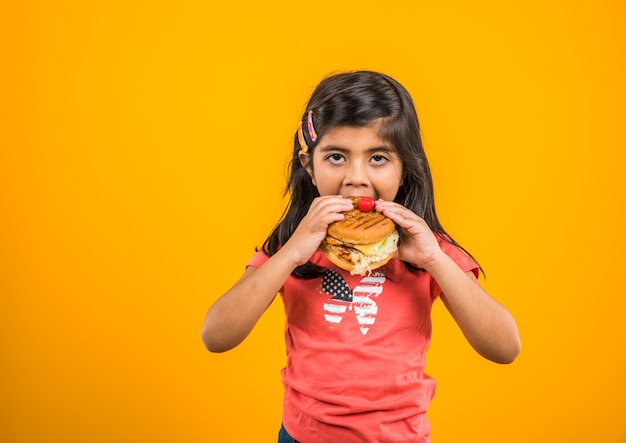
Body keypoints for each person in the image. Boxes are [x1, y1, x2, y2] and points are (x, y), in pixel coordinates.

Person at [201, 70, 521, 443]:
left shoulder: (427, 249)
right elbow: (216, 335)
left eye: (379, 158)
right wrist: (290, 254)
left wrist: (435, 259)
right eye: (336, 157)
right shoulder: (292, 246)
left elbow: (505, 347)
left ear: (405, 167)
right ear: (308, 164)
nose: (356, 177)